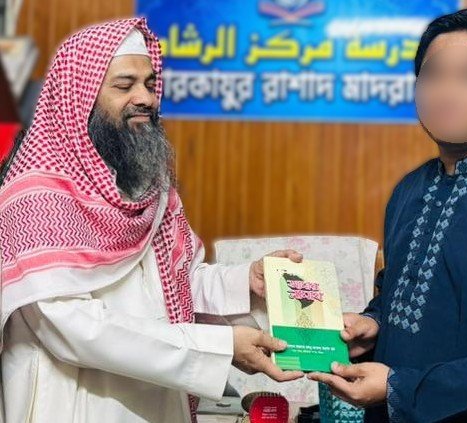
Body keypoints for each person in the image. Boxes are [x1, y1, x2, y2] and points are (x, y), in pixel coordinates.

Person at [0, 18, 303, 423]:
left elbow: (177, 283)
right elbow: (72, 327)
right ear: (80, 98)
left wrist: (245, 280)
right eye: (124, 86)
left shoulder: (148, 188)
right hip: (75, 403)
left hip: (159, 401)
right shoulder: (37, 197)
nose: (145, 98)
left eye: (149, 83)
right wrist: (217, 347)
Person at [309, 8, 467, 422]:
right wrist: (375, 323)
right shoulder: (409, 189)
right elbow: (402, 291)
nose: (447, 92)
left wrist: (401, 389)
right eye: (433, 76)